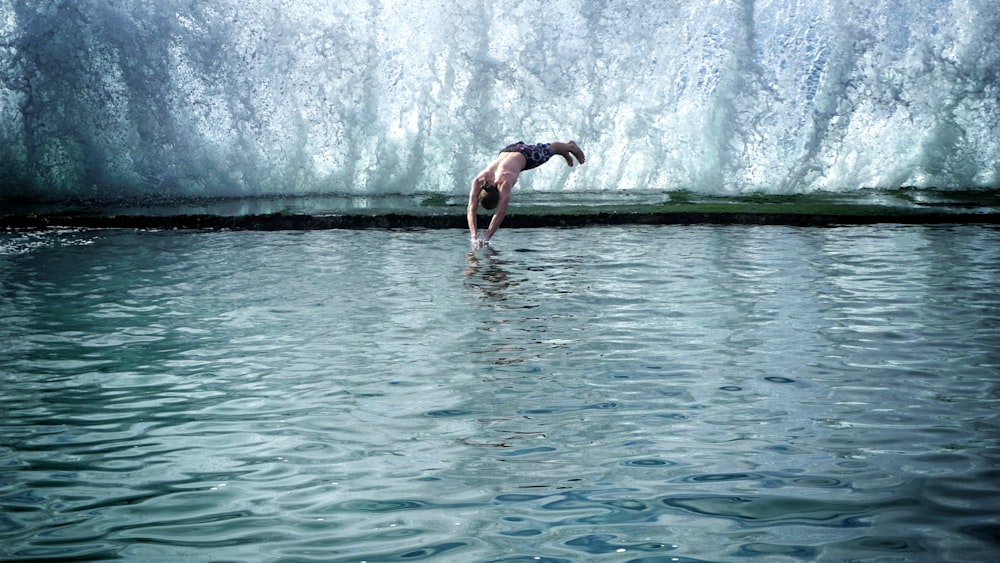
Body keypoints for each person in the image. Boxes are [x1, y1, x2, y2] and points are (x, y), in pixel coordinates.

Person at [468, 140, 586, 247]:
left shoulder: (504, 183)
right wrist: (473, 236)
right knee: (548, 152)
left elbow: (500, 213)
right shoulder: (480, 180)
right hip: (507, 150)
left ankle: (570, 146)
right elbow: (471, 209)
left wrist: (487, 237)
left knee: (551, 149)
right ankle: (564, 153)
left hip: (527, 155)